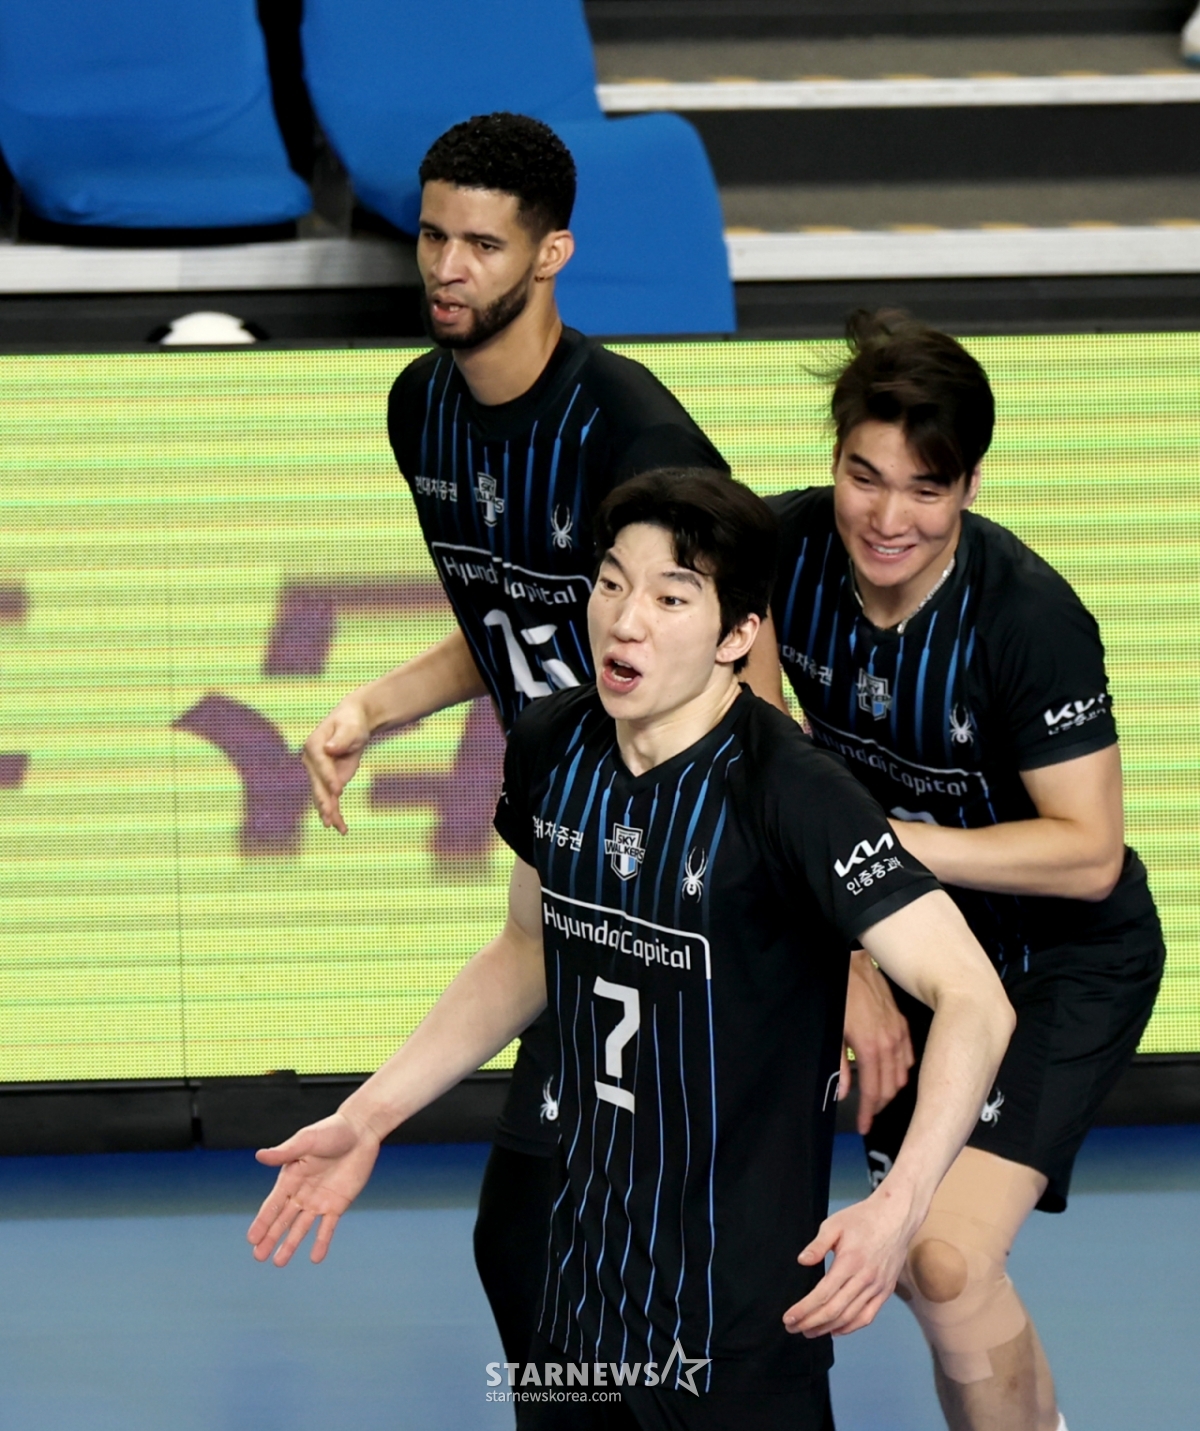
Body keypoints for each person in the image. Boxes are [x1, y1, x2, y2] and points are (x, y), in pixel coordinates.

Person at [250, 467, 1014, 1431]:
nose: (625, 621)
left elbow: (976, 999)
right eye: (612, 583)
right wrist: (369, 1116)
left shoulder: (791, 794)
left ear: (739, 635)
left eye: (671, 596)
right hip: (581, 1309)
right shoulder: (554, 744)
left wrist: (901, 1205)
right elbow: (527, 950)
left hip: (738, 1333)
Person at [298, 111, 730, 1369]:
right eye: (432, 235)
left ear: (550, 256)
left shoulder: (631, 435)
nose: (445, 266)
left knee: (646, 1252)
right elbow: (510, 609)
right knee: (532, 1237)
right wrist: (376, 706)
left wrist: (845, 934)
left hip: (680, 853)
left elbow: (736, 651)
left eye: (482, 244)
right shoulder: (418, 410)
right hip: (570, 828)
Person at [746, 310, 1166, 1431]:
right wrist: (856, 960)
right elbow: (758, 767)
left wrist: (885, 850)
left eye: (925, 489)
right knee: (951, 1282)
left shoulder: (1028, 620)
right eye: (863, 477)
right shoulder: (779, 555)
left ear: (970, 486)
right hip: (918, 957)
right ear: (831, 461)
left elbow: (1088, 854)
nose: (889, 518)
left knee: (936, 1260)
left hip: (1061, 965)